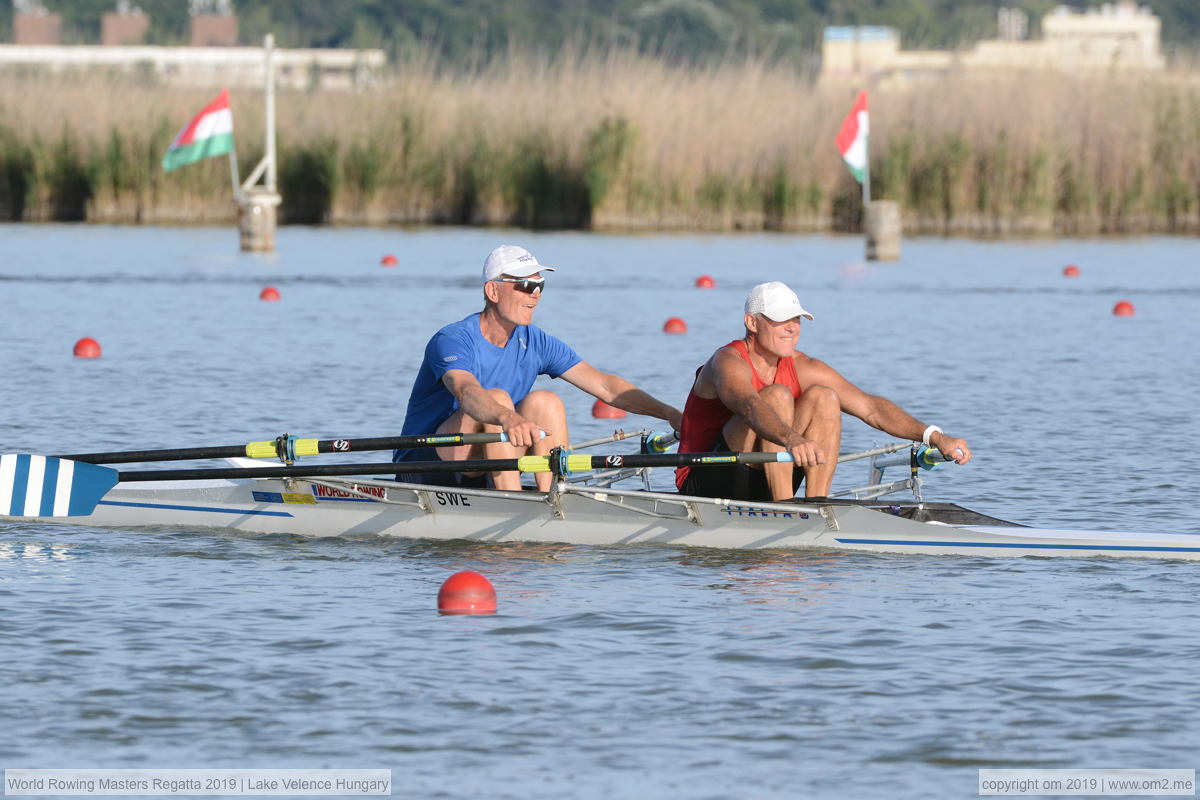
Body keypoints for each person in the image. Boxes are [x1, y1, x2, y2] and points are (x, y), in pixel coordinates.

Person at [394, 244, 682, 491]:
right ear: (493, 291)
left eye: (539, 285)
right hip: (425, 464)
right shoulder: (453, 339)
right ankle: (514, 506)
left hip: (488, 460)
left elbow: (606, 386)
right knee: (496, 398)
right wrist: (507, 416)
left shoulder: (536, 341)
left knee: (547, 402)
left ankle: (554, 496)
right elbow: (466, 391)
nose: (535, 294)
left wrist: (669, 413)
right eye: (525, 285)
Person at [675, 281, 971, 502]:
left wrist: (935, 436)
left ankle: (816, 505)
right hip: (705, 479)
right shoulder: (726, 361)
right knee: (776, 395)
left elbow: (870, 408)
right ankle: (785, 509)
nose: (792, 328)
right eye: (781, 319)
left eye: (796, 319)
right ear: (752, 322)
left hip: (766, 468)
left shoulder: (804, 366)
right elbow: (749, 405)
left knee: (825, 396)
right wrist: (793, 438)